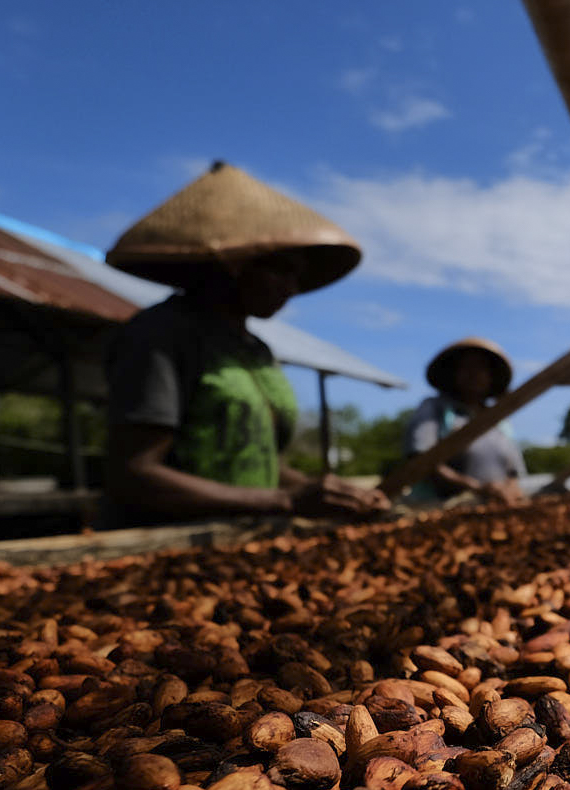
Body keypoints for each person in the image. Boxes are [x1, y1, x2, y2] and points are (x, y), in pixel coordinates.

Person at [101, 161, 388, 526]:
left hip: (244, 542)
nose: (291, 289)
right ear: (235, 264)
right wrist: (284, 500)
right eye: (281, 270)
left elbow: (259, 460)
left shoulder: (255, 351)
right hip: (166, 548)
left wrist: (327, 492)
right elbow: (134, 474)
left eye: (297, 278)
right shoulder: (160, 335)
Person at [403, 338, 526, 506]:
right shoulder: (435, 407)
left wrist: (509, 491)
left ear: (491, 375)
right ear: (453, 373)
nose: (473, 373)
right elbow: (419, 458)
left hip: (497, 507)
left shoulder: (500, 420)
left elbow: (514, 472)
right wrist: (476, 488)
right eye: (466, 367)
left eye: (481, 367)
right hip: (444, 507)